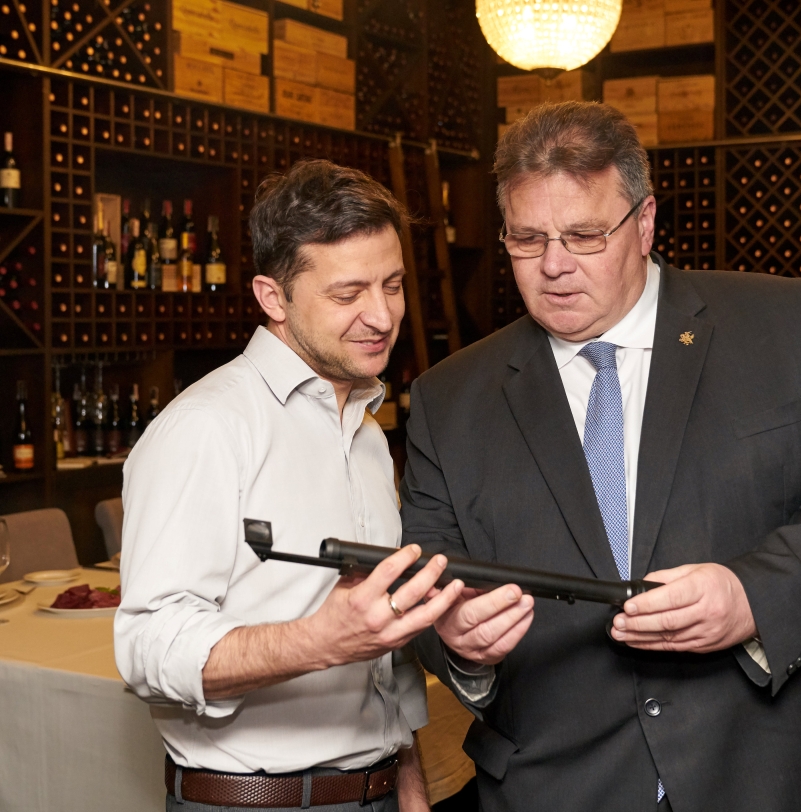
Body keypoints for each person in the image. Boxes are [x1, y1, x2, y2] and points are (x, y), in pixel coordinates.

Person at [403, 102, 801, 811]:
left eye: (584, 236)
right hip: (564, 785)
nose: (553, 266)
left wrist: (752, 597)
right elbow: (431, 574)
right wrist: (457, 640)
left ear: (645, 223)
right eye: (527, 240)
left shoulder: (785, 325)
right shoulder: (448, 398)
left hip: (784, 772)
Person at [114, 160, 530, 812]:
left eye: (392, 285)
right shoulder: (206, 427)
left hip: (377, 793)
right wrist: (320, 639)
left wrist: (410, 789)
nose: (382, 315)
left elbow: (380, 656)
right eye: (348, 294)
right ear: (271, 298)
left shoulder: (363, 430)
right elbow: (145, 650)